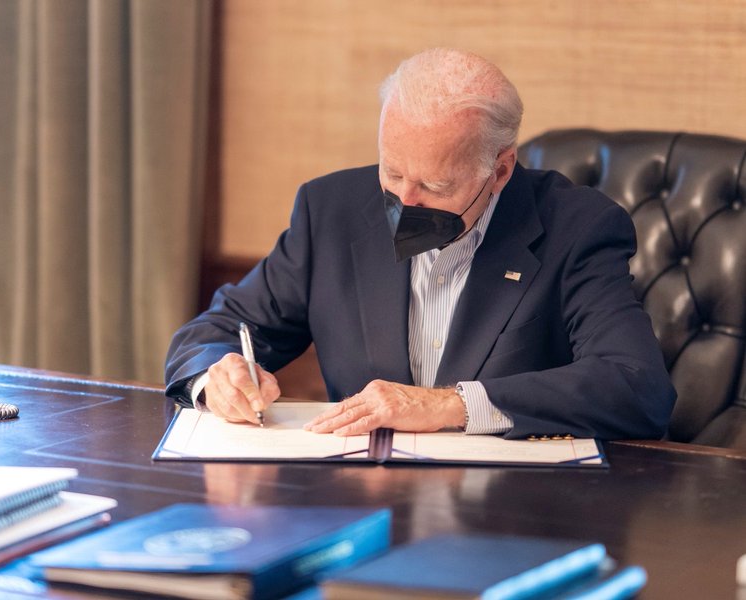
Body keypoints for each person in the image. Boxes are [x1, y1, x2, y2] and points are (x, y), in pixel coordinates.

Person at [164, 48, 676, 440]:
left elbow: (637, 387)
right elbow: (214, 331)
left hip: (514, 516)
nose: (405, 203)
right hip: (366, 506)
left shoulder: (577, 227)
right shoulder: (332, 211)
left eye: (435, 187)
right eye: (393, 173)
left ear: (499, 169)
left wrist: (450, 404)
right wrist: (218, 378)